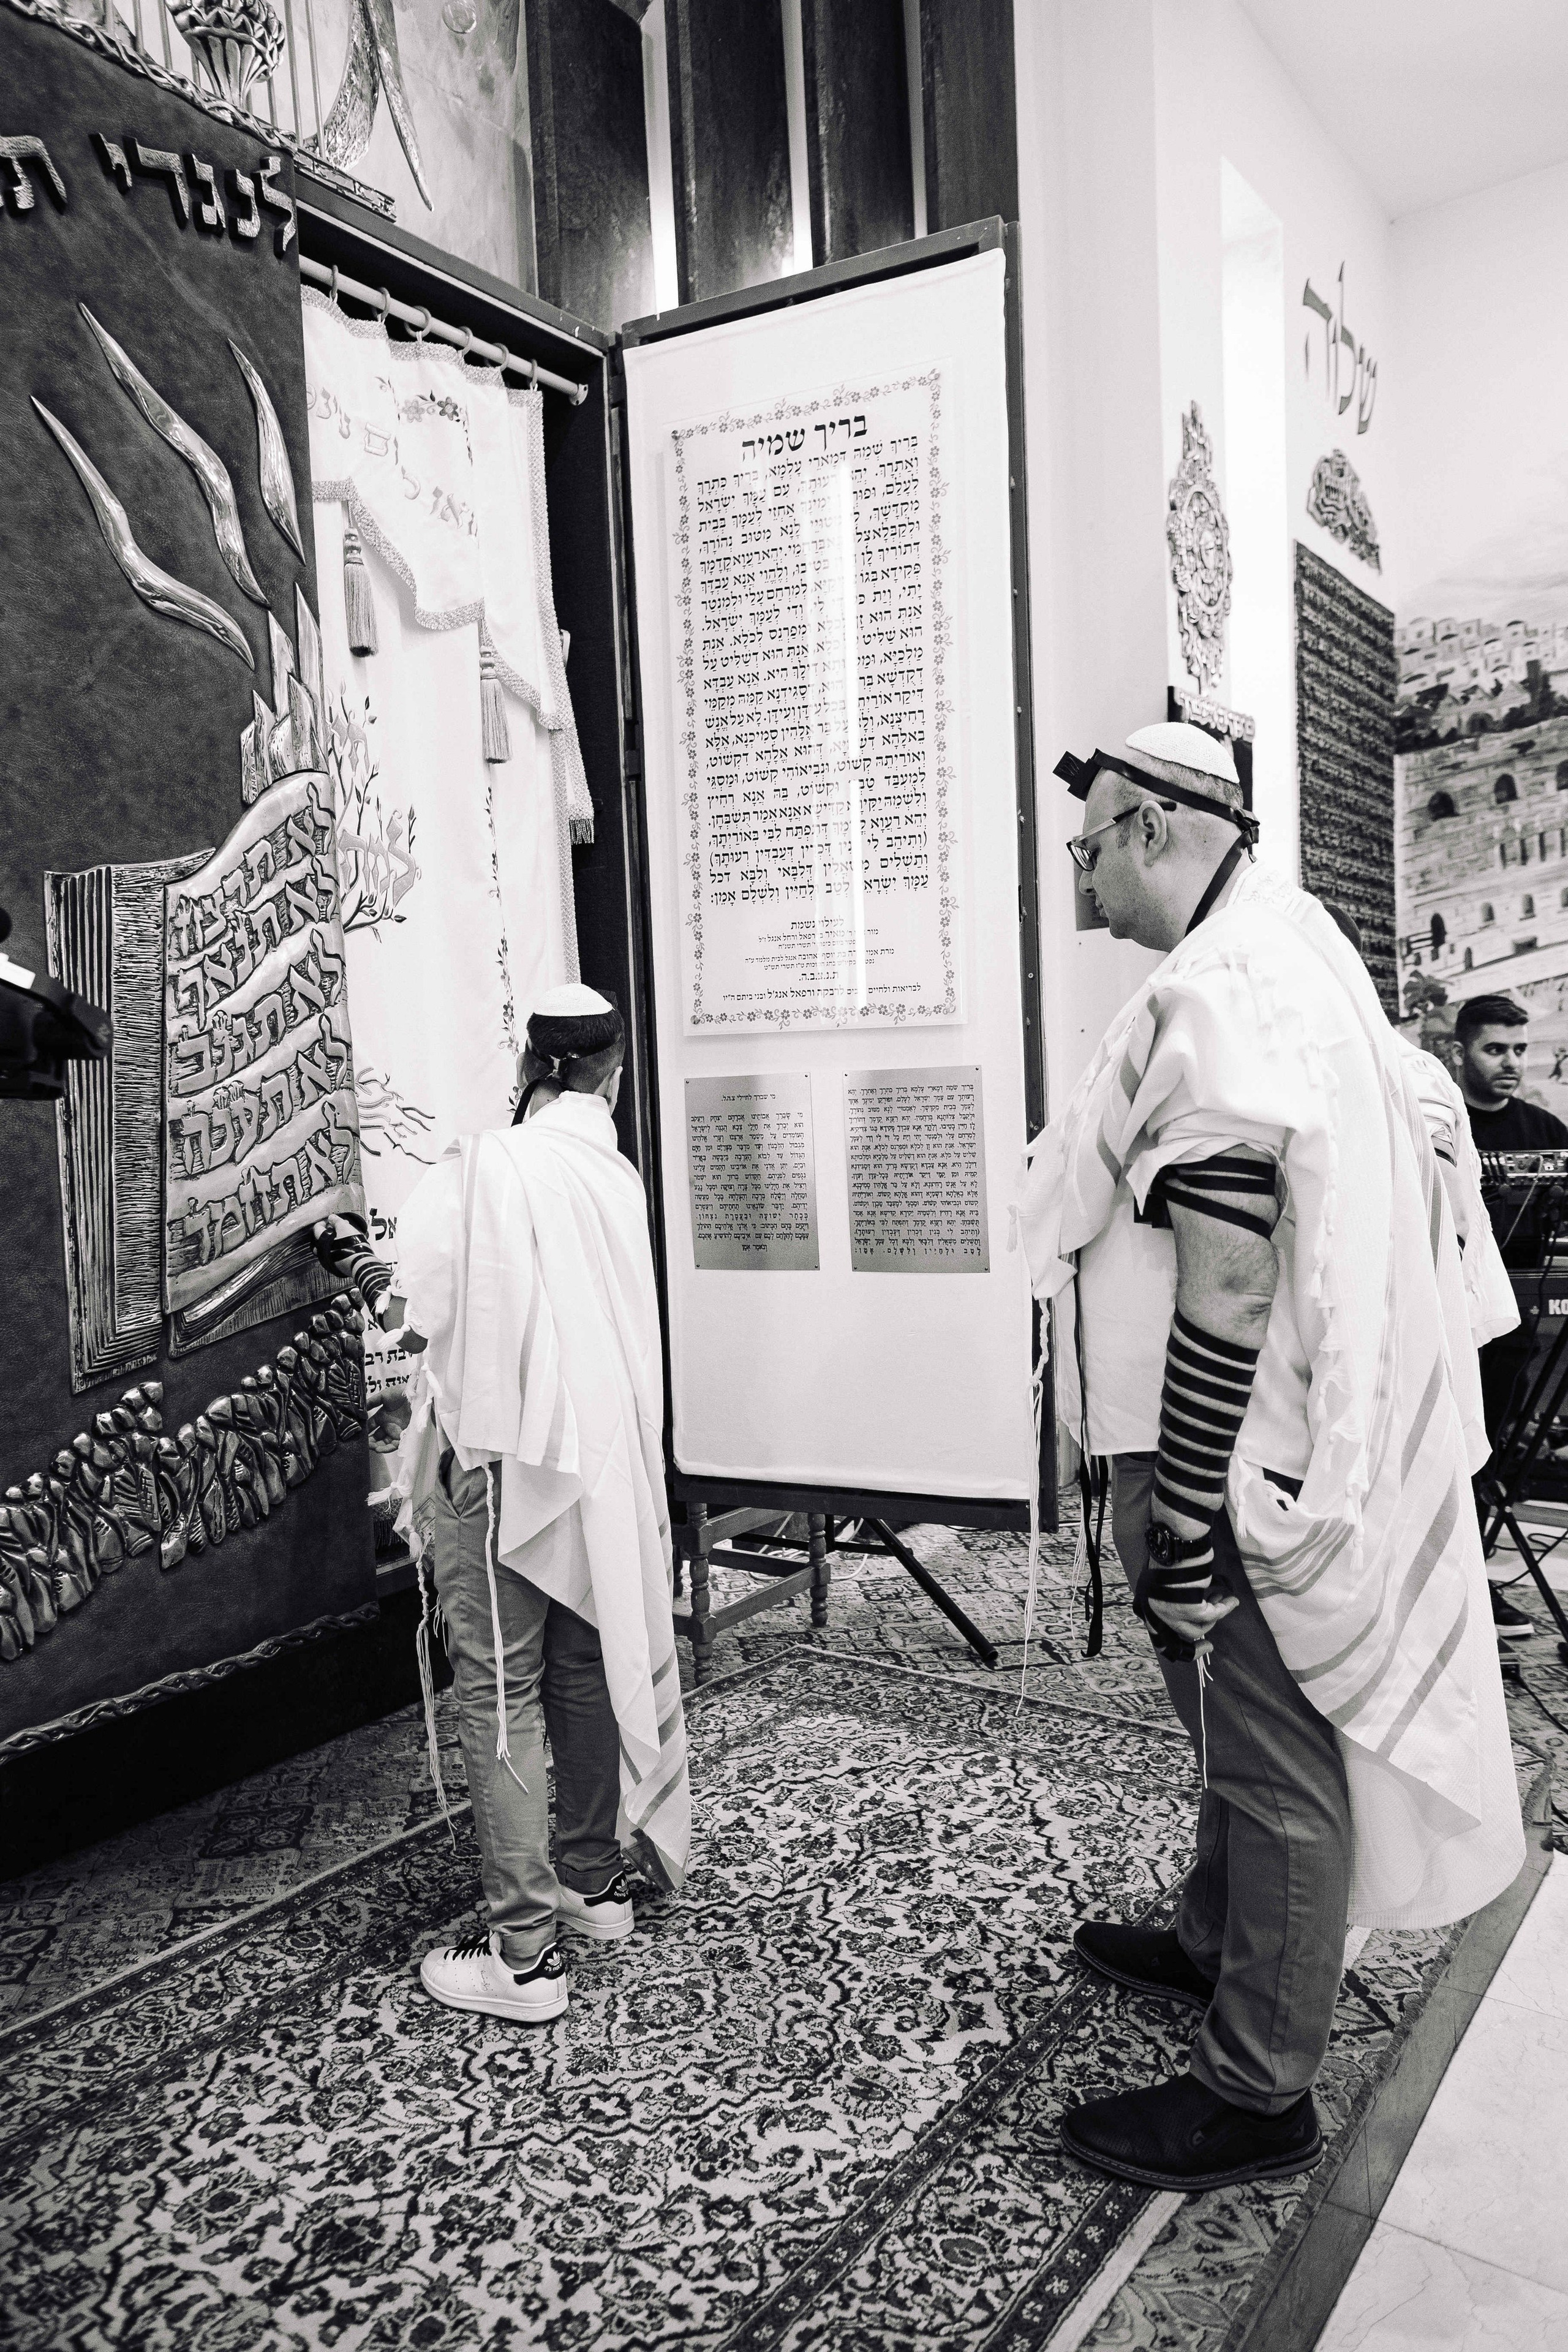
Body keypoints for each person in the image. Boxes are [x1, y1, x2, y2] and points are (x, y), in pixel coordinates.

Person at [1017, 722, 1523, 2194]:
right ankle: (1210, 1938)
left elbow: (1229, 1275)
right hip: (1256, 1431)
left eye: (1090, 840)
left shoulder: (1223, 992)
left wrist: (1180, 1505)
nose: (1078, 869)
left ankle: (1255, 2091)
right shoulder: (1274, 947)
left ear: (1162, 827)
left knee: (1274, 1759)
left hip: (1248, 1452)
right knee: (1237, 1747)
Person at [314, 984, 688, 2025]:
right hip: (595, 1470)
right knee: (576, 1665)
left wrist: (347, 1256)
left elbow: (410, 1306)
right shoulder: (609, 1175)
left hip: (498, 1464)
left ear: (534, 1064)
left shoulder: (485, 1167)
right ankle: (593, 1883)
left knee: (502, 1689)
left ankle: (523, 1958)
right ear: (613, 1071)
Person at [1455, 992, 1568, 1635]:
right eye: (1494, 1049)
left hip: (1513, 1321)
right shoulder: (1440, 1123)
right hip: (1447, 1319)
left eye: (1519, 1050)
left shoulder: (1546, 1134)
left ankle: (1479, 1577)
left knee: (1492, 1452)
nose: (1510, 1063)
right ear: (1459, 1050)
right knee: (1453, 1451)